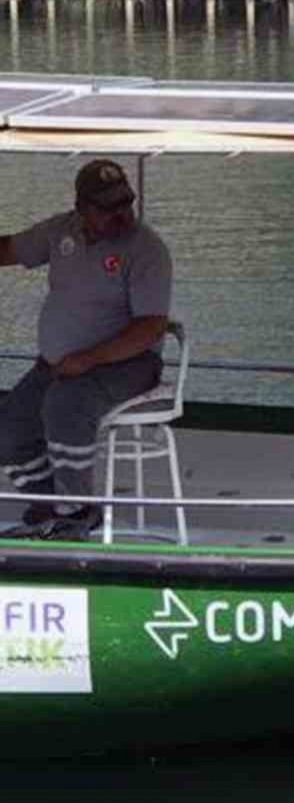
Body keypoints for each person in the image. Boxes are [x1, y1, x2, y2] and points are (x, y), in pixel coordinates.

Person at [0, 159, 173, 538]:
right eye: (108, 207)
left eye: (126, 202)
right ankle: (49, 506)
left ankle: (77, 511)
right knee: (8, 428)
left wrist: (89, 358)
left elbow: (150, 328)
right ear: (82, 208)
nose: (121, 214)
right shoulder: (61, 232)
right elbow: (10, 249)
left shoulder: (146, 249)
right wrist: (72, 361)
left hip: (127, 364)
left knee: (66, 406)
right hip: (59, 365)